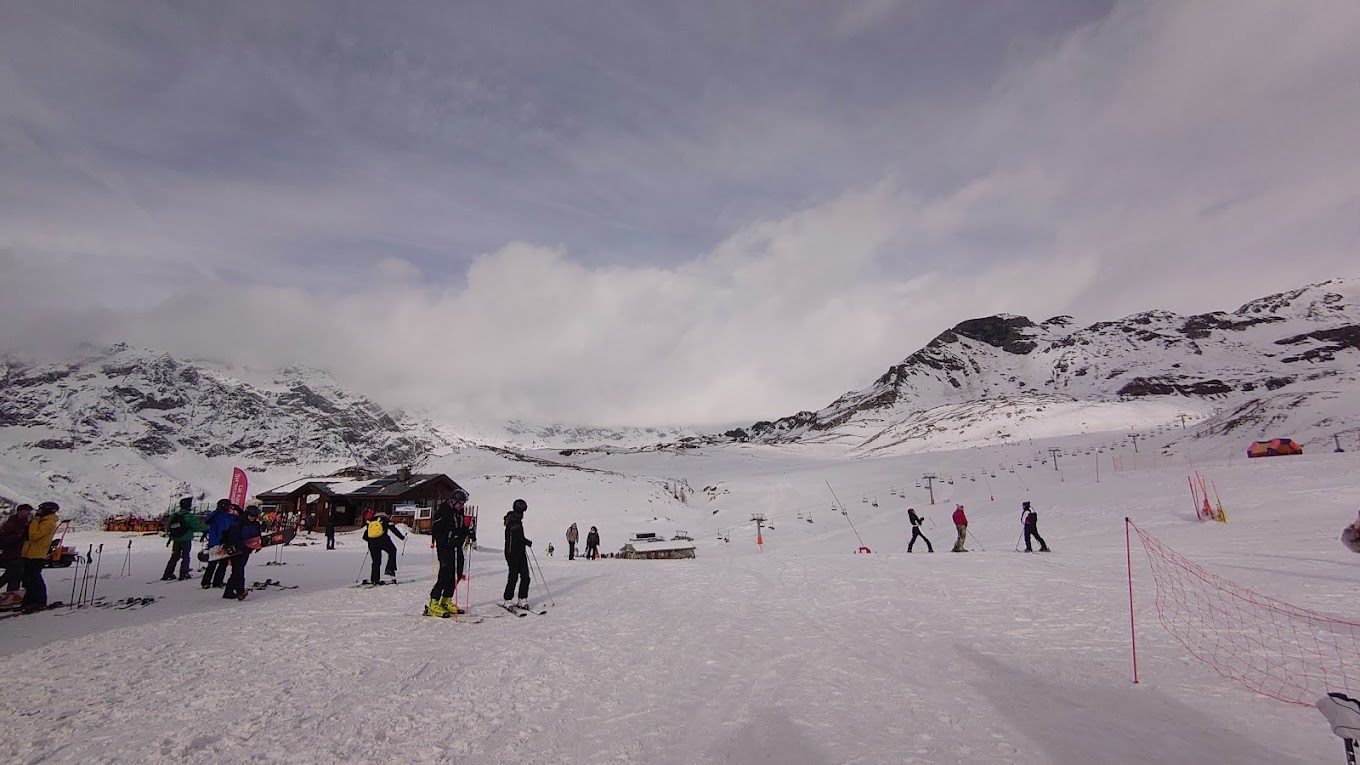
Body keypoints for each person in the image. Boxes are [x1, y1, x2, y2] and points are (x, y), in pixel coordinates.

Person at [427, 490, 473, 617]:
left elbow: (461, 530)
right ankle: (433, 602)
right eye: (460, 504)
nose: (461, 506)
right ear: (453, 501)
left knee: (457, 574)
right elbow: (436, 531)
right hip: (445, 548)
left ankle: (446, 600)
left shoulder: (459, 513)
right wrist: (447, 540)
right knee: (445, 574)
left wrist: (468, 531)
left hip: (456, 547)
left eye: (463, 504)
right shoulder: (442, 512)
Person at [20, 502, 60, 613]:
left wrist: (34, 521)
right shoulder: (43, 521)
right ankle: (29, 601)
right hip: (30, 553)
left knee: (34, 578)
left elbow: (34, 535)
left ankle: (39, 601)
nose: (38, 511)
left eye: (40, 509)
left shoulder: (48, 523)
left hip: (37, 554)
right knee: (28, 579)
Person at [222, 505, 263, 601]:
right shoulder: (238, 523)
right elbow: (233, 537)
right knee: (239, 570)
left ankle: (228, 592)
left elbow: (257, 536)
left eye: (255, 516)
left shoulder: (256, 524)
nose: (253, 518)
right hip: (236, 549)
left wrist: (257, 545)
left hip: (247, 549)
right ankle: (240, 591)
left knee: (237, 570)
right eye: (251, 516)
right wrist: (240, 546)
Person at [162, 497, 206, 581]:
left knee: (174, 557)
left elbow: (168, 527)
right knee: (185, 557)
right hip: (186, 539)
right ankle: (184, 573)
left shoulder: (173, 515)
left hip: (176, 539)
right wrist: (207, 528)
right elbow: (196, 527)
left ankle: (168, 573)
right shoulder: (190, 516)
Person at [0, 504, 34, 605]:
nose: (28, 513)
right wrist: (19, 536)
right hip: (12, 553)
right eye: (27, 511)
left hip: (18, 552)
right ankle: (11, 595)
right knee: (12, 574)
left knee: (14, 575)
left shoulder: (22, 522)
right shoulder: (13, 523)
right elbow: (5, 536)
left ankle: (11, 596)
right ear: (20, 511)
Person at [201, 500, 237, 589]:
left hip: (225, 542)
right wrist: (217, 511)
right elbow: (206, 520)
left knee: (223, 564)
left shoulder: (230, 517)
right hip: (215, 543)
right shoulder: (215, 516)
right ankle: (206, 582)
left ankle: (218, 581)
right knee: (212, 564)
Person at [503, 499, 532, 608]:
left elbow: (520, 537)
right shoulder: (512, 519)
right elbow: (517, 536)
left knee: (525, 576)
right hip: (511, 552)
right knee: (513, 576)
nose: (523, 514)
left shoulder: (518, 519)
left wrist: (525, 542)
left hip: (520, 551)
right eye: (522, 511)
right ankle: (507, 599)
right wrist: (526, 542)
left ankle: (522, 598)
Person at [363, 509, 406, 584]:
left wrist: (372, 540)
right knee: (392, 550)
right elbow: (393, 529)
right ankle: (390, 569)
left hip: (372, 543)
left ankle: (374, 579)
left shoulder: (371, 520)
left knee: (376, 561)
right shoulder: (385, 520)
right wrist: (402, 537)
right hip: (383, 541)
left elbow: (365, 536)